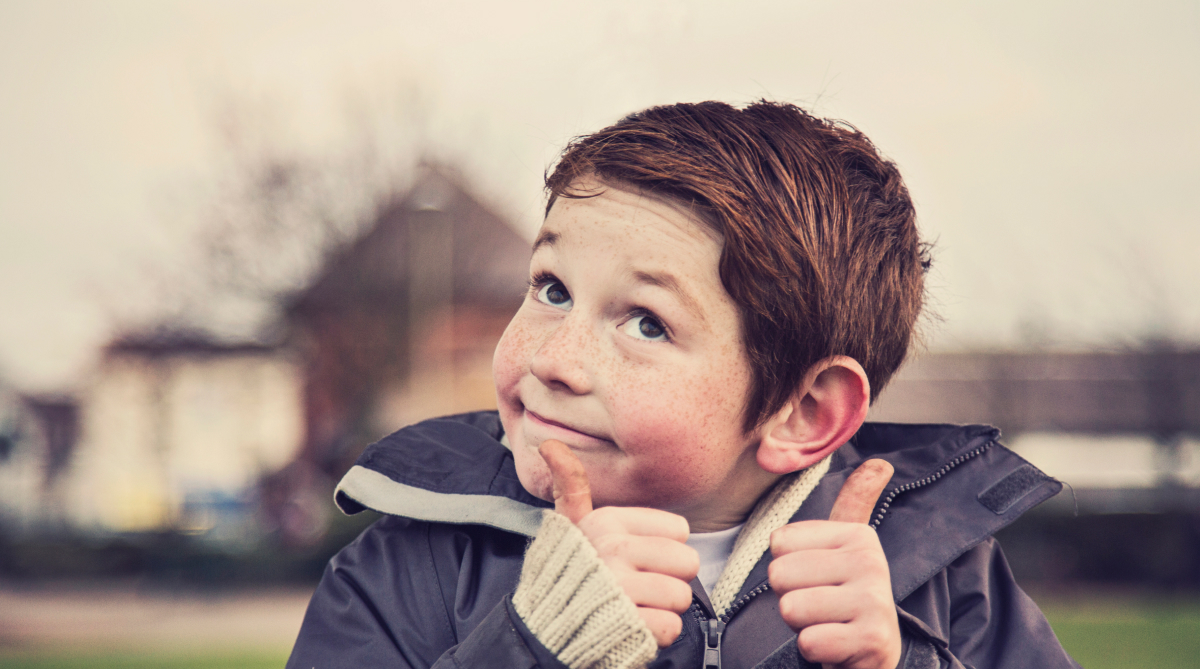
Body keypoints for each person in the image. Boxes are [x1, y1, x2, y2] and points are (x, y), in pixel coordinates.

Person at [286, 101, 1081, 669]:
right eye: (552, 288)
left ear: (802, 412)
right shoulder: (408, 567)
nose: (553, 359)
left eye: (646, 322)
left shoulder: (937, 583)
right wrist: (528, 648)